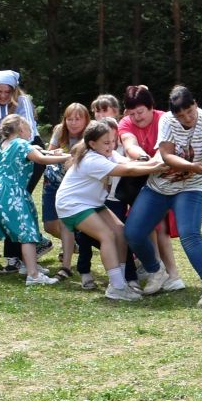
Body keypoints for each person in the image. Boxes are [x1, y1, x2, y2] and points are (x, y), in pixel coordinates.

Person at [125, 86, 202, 306]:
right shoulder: (167, 121)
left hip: (191, 187)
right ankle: (156, 270)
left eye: (189, 112)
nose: (186, 118)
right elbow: (167, 155)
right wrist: (191, 165)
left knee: (189, 235)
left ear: (195, 105)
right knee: (133, 232)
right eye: (180, 115)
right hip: (158, 186)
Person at [53, 118, 160, 302]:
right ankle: (117, 287)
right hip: (72, 205)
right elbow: (127, 171)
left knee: (120, 231)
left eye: (113, 141)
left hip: (90, 202)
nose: (111, 146)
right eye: (106, 142)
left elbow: (129, 162)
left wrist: (155, 162)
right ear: (92, 143)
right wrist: (157, 165)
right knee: (107, 236)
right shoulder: (92, 159)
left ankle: (119, 283)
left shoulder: (105, 153)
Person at [0, 114, 71, 287]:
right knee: (27, 233)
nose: (31, 130)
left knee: (20, 231)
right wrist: (67, 157)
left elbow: (39, 152)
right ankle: (33, 275)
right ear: (21, 129)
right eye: (29, 127)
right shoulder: (21, 143)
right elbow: (41, 159)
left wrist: (51, 152)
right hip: (11, 194)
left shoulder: (4, 144)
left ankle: (26, 265)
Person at [116, 87, 181, 291]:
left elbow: (172, 148)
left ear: (152, 107)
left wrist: (157, 160)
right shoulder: (125, 123)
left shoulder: (166, 120)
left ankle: (168, 274)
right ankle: (160, 271)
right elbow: (129, 144)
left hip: (166, 179)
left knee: (160, 227)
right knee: (152, 227)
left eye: (141, 112)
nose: (136, 118)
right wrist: (145, 158)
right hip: (141, 178)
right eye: (132, 113)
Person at [43, 103, 97, 287]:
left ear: (86, 120)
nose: (73, 123)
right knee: (50, 226)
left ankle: (66, 265)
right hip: (53, 180)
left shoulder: (91, 134)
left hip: (75, 186)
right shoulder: (60, 130)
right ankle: (74, 244)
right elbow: (49, 151)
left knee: (67, 223)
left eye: (77, 118)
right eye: (69, 118)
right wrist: (55, 152)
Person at [0, 71, 38, 139]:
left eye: (7, 92)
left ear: (14, 91)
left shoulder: (22, 101)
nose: (3, 96)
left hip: (28, 144)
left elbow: (28, 132)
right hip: (1, 146)